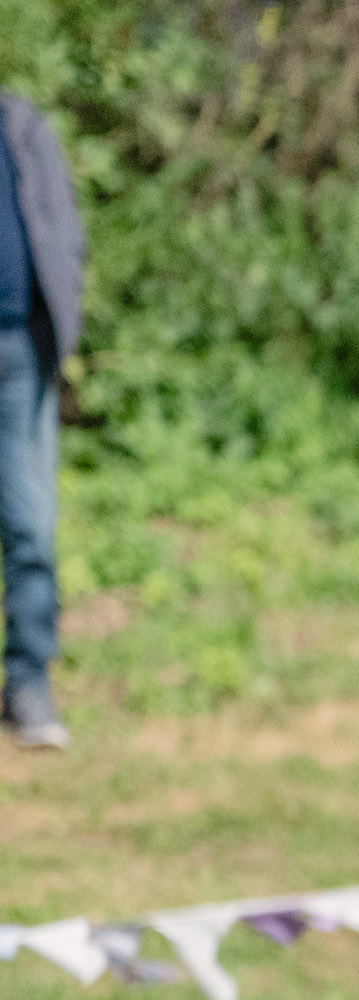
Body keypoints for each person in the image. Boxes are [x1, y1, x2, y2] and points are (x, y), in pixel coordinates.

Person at [0, 92, 83, 751]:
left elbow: (63, 228)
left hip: (21, 352)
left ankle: (29, 686)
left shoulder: (21, 125)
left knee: (30, 524)